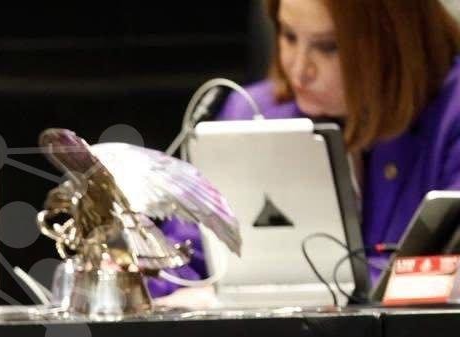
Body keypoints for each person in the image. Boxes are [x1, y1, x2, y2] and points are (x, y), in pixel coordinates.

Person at [157, 0, 460, 297]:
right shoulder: (251, 112)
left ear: (396, 38)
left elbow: (445, 278)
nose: (300, 69)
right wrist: (141, 278)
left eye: (328, 47)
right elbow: (188, 258)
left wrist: (269, 299)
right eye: (289, 36)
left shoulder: (452, 111)